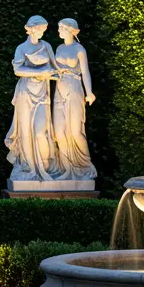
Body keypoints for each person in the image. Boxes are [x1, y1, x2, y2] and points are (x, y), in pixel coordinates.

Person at [5, 15, 61, 181]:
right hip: (25, 93)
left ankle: (44, 166)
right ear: (30, 29)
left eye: (43, 29)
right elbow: (18, 70)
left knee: (39, 132)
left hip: (42, 93)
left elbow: (55, 68)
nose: (42, 32)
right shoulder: (21, 48)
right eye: (39, 29)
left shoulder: (46, 46)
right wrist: (40, 73)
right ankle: (29, 166)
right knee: (25, 131)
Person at [52, 17, 96, 180]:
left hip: (75, 89)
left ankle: (85, 166)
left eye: (61, 28)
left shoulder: (79, 49)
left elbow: (85, 72)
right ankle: (66, 169)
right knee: (59, 133)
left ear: (70, 30)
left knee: (76, 131)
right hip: (60, 90)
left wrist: (89, 92)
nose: (58, 31)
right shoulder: (58, 48)